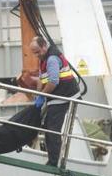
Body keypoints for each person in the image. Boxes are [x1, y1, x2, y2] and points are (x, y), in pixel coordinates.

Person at [29, 36, 81, 167]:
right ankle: (53, 159)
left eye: (37, 52)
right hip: (56, 96)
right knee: (47, 127)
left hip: (63, 96)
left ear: (44, 47)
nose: (36, 55)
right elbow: (42, 78)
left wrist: (42, 95)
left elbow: (53, 81)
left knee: (52, 128)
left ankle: (55, 162)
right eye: (34, 53)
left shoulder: (51, 59)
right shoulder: (44, 59)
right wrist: (38, 95)